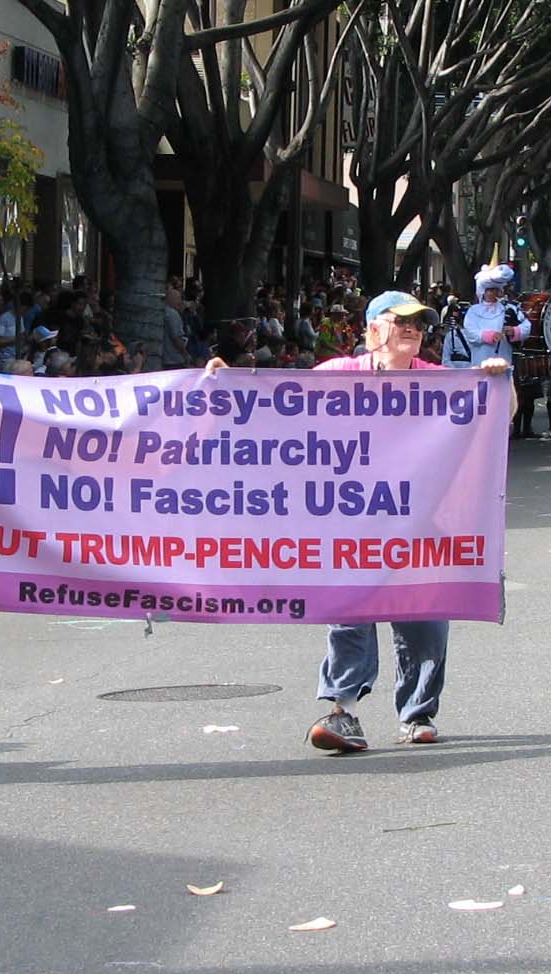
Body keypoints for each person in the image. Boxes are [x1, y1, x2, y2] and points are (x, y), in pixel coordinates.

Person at [207, 291, 512, 750]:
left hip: (419, 522)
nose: (411, 329)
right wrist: (230, 383)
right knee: (349, 613)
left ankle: (417, 713)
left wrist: (496, 383)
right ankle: (342, 711)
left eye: (418, 323)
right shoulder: (337, 376)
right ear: (371, 331)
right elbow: (274, 409)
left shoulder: (443, 381)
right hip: (350, 525)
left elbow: (499, 416)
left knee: (426, 619)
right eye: (399, 321)